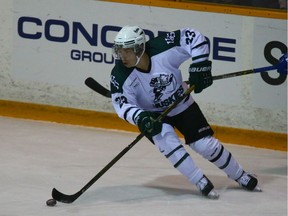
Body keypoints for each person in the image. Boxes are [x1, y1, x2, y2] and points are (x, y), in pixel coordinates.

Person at [110, 25, 261, 199]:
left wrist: (201, 64)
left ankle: (240, 175)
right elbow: (122, 104)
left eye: (126, 51)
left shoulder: (162, 48)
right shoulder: (120, 74)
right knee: (169, 144)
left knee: (205, 144)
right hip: (153, 116)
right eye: (119, 51)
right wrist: (141, 117)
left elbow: (193, 36)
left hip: (181, 103)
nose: (122, 56)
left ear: (139, 48)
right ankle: (199, 180)